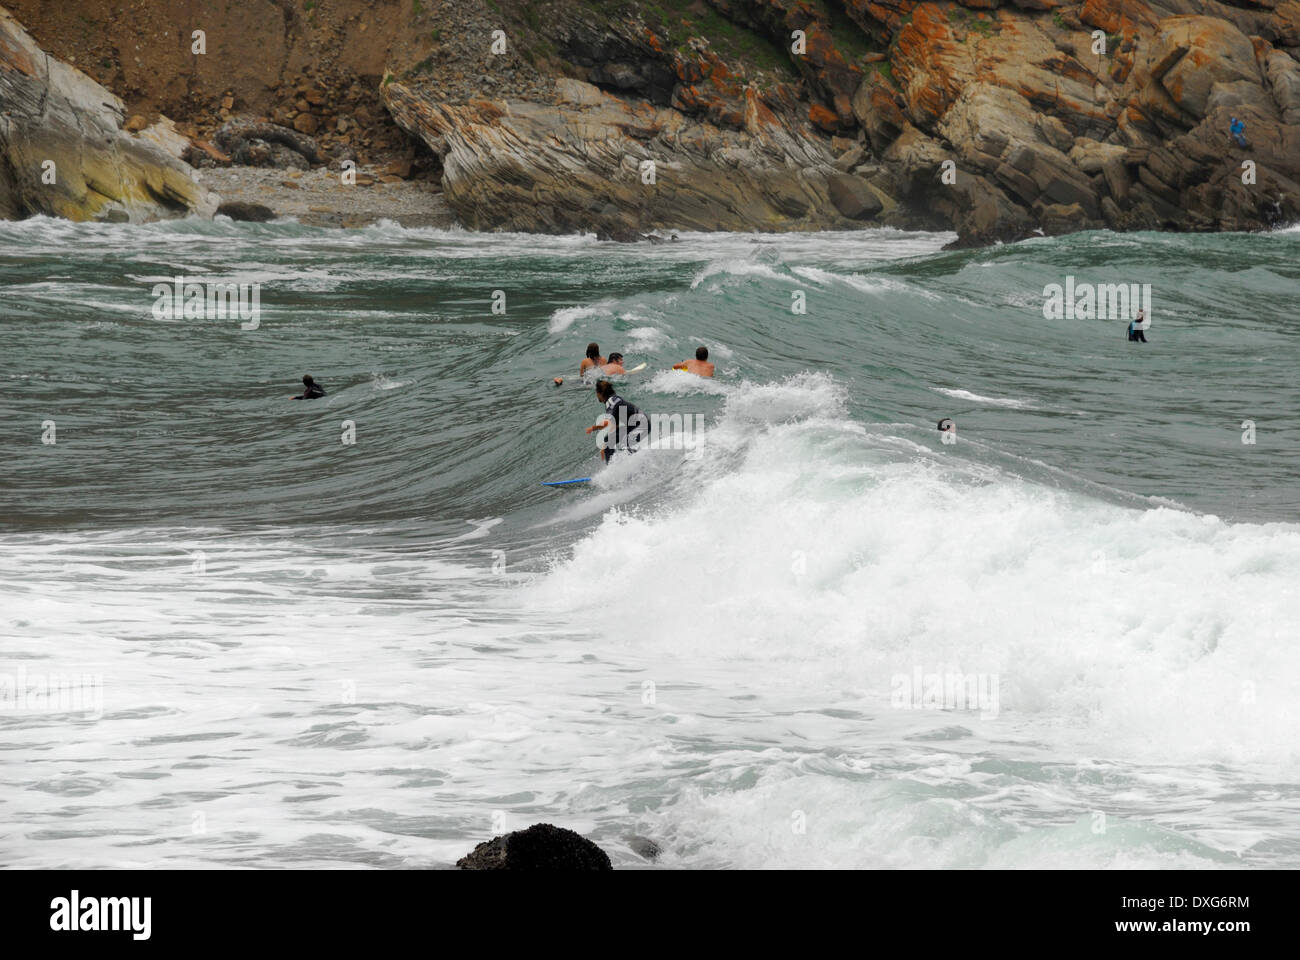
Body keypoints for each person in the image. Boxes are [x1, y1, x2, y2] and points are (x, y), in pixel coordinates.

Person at [585, 379, 650, 463]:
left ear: (600, 393)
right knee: (609, 440)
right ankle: (622, 465)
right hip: (640, 424)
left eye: (596, 393)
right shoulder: (614, 399)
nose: (596, 395)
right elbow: (613, 424)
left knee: (615, 443)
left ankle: (612, 470)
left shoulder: (611, 401)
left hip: (642, 426)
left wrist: (593, 428)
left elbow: (607, 423)